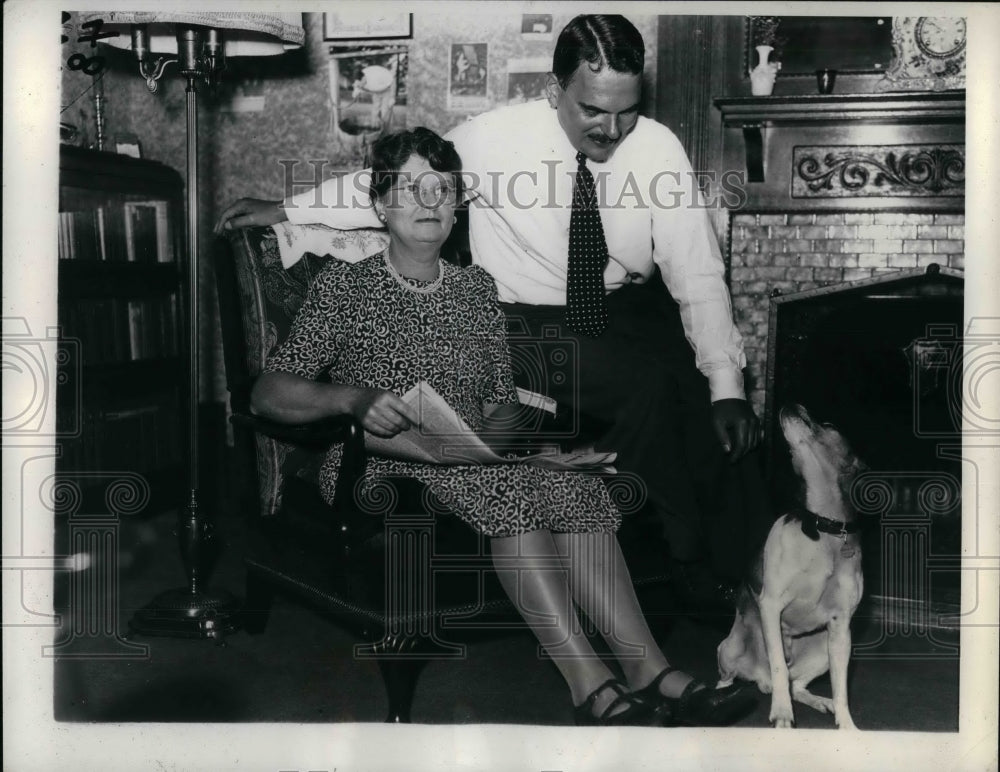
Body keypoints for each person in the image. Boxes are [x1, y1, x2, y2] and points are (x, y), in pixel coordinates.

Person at [216, 14, 773, 617]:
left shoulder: (659, 148)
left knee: (717, 403)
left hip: (626, 305)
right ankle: (682, 558)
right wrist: (285, 208)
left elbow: (697, 272)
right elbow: (396, 182)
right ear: (556, 90)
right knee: (644, 387)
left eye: (625, 111)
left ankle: (758, 577)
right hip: (520, 317)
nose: (611, 130)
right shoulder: (494, 139)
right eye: (592, 110)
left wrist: (726, 384)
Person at [248, 127, 755, 726]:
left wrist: (537, 451)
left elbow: (493, 412)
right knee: (507, 490)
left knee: (580, 486)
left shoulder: (476, 290)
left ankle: (649, 670)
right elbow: (267, 392)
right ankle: (589, 685)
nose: (429, 202)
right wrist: (351, 398)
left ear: (458, 203)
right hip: (375, 465)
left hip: (470, 462)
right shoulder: (346, 286)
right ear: (381, 204)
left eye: (442, 189)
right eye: (409, 188)